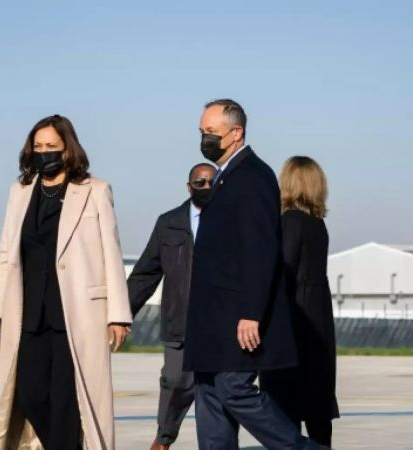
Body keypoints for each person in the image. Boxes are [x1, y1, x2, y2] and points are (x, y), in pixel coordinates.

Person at [0, 115, 133, 450]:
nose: (44, 152)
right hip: (28, 313)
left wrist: (118, 315)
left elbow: (111, 252)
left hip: (77, 315)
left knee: (67, 402)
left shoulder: (94, 190)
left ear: (68, 150)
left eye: (51, 146)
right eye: (38, 146)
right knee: (30, 395)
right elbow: (7, 255)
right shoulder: (19, 193)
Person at [184, 99, 316, 449]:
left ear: (236, 132)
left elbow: (261, 251)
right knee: (210, 395)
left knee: (234, 389)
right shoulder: (227, 178)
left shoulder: (253, 176)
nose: (204, 139)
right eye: (202, 132)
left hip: (235, 318)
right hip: (212, 323)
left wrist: (250, 313)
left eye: (211, 132)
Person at [127, 162, 218, 450]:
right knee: (176, 381)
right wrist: (120, 314)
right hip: (179, 322)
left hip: (218, 324)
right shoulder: (169, 223)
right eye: (199, 182)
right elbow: (146, 272)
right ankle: (164, 438)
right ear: (188, 186)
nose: (205, 187)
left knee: (218, 392)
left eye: (211, 182)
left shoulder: (230, 220)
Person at [261, 156, 339, 447]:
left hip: (294, 321)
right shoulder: (317, 225)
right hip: (317, 318)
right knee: (317, 401)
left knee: (284, 402)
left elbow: (285, 272)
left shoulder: (289, 223)